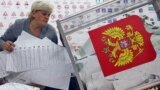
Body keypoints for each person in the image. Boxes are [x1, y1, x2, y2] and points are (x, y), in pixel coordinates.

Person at [0, 0, 79, 90]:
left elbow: (54, 56)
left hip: (41, 76)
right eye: (44, 14)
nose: (47, 17)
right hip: (18, 74)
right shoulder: (19, 25)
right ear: (33, 13)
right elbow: (1, 41)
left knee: (71, 79)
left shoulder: (51, 31)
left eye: (49, 15)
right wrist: (4, 45)